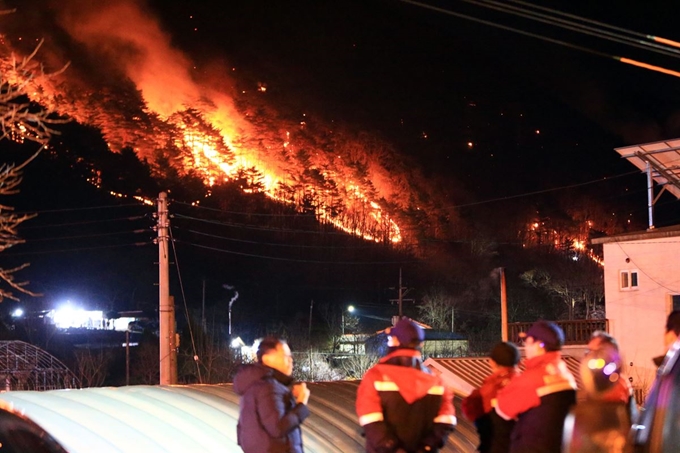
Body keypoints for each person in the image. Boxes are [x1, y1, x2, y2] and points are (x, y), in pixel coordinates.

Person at [356, 317, 457, 453]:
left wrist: (393, 447)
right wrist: (426, 447)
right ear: (420, 345)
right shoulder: (436, 381)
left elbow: (370, 419)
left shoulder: (375, 376)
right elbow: (447, 419)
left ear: (396, 341)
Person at [495, 320, 577, 453]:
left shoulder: (533, 378)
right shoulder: (565, 373)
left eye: (527, 341)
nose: (525, 346)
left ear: (539, 345)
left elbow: (503, 409)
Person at [234, 337, 311, 453]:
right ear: (267, 359)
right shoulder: (268, 387)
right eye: (285, 356)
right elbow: (277, 427)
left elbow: (243, 434)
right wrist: (301, 402)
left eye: (291, 357)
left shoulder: (254, 387)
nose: (290, 361)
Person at [462, 341, 520, 453]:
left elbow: (469, 410)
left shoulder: (484, 392)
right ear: (519, 362)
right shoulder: (530, 386)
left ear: (491, 363)